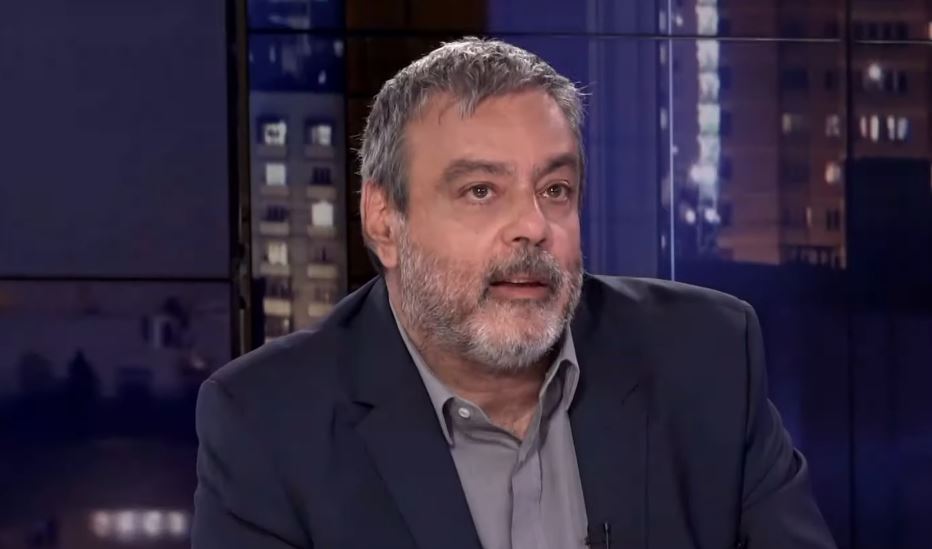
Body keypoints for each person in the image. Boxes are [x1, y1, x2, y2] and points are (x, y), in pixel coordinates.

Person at [192, 37, 836, 549]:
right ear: (385, 221)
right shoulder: (268, 423)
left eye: (555, 190)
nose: (533, 225)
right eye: (481, 191)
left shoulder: (706, 357)